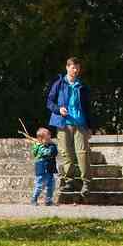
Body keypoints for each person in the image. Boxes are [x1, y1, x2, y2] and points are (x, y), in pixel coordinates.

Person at [45, 58, 92, 200]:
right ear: (67, 68)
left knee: (82, 152)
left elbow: (88, 108)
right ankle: (69, 180)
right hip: (63, 123)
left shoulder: (82, 85)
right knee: (66, 153)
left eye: (78, 68)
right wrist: (59, 110)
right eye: (73, 68)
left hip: (80, 123)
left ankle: (86, 183)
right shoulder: (59, 83)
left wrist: (90, 127)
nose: (76, 70)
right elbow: (49, 102)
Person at [30, 127, 58, 206]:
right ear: (40, 139)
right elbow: (47, 153)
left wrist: (52, 145)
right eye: (47, 139)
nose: (49, 140)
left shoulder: (51, 145)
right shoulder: (39, 147)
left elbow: (54, 152)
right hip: (41, 167)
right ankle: (34, 199)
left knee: (51, 185)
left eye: (49, 138)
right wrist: (48, 146)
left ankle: (48, 200)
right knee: (39, 184)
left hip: (50, 167)